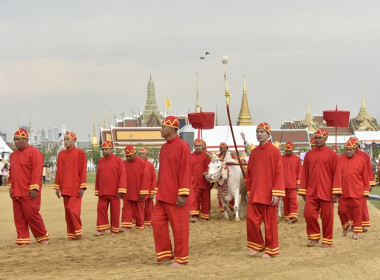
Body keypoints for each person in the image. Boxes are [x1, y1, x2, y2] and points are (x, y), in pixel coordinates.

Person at [151, 116, 191, 266]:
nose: (161, 130)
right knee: (156, 222)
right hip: (163, 194)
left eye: (163, 127)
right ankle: (165, 253)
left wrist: (182, 193)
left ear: (172, 129)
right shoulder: (164, 147)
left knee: (179, 228)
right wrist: (157, 189)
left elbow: (185, 171)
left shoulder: (183, 146)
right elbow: (162, 171)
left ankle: (181, 258)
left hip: (177, 195)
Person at [245, 122, 285, 258]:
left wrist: (277, 192)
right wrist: (249, 190)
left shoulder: (275, 152)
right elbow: (249, 173)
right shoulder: (254, 153)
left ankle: (271, 249)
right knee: (251, 219)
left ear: (268, 134)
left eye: (262, 132)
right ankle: (257, 245)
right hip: (255, 193)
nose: (259, 134)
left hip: (269, 194)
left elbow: (279, 172)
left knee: (270, 224)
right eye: (257, 132)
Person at [298, 129, 342, 248]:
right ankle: (314, 237)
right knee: (308, 214)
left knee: (327, 218)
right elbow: (304, 174)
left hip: (327, 191)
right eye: (315, 138)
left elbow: (336, 173)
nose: (317, 140)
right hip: (312, 191)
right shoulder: (309, 155)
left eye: (319, 138)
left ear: (325, 139)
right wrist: (303, 190)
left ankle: (327, 240)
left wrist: (336, 191)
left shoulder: (332, 155)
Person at [8, 128, 49, 245]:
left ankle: (42, 237)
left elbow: (37, 171)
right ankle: (22, 238)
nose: (16, 142)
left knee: (32, 214)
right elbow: (12, 173)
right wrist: (11, 187)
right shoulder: (13, 155)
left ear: (26, 139)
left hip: (30, 191)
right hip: (17, 190)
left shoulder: (34, 153)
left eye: (18, 139)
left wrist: (34, 188)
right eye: (14, 140)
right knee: (18, 216)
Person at [54, 132, 87, 240]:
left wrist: (82, 187)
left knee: (73, 210)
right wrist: (58, 187)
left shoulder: (80, 153)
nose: (66, 141)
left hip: (76, 188)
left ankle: (78, 231)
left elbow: (83, 171)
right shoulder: (61, 154)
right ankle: (71, 234)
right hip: (65, 187)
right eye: (64, 139)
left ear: (74, 140)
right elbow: (59, 171)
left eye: (68, 139)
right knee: (67, 212)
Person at [338, 139, 370, 240]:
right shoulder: (339, 160)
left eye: (351, 149)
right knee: (341, 211)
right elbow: (336, 176)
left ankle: (356, 233)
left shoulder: (361, 160)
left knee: (358, 213)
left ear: (355, 149)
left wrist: (365, 190)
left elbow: (365, 177)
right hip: (344, 192)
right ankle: (346, 225)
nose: (349, 151)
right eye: (347, 149)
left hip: (357, 192)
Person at [95, 141, 126, 235]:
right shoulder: (100, 161)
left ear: (112, 149)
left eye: (106, 149)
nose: (104, 151)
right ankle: (102, 229)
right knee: (101, 210)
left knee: (115, 212)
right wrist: (97, 190)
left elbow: (122, 175)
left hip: (114, 192)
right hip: (103, 192)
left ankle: (114, 229)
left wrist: (121, 189)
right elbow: (98, 176)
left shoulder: (118, 160)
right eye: (103, 149)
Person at [350, 136, 376, 232]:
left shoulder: (364, 156)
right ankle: (353, 224)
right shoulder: (346, 156)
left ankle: (363, 224)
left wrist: (369, 184)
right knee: (350, 205)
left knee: (362, 205)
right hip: (350, 184)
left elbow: (369, 170)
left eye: (355, 144)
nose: (354, 146)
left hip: (361, 184)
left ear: (358, 145)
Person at [121, 145, 149, 231]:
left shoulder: (142, 163)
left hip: (138, 191)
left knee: (139, 209)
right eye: (127, 156)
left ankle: (140, 225)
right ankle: (126, 225)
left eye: (131, 155)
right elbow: (121, 177)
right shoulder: (123, 163)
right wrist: (121, 190)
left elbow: (145, 178)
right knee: (126, 208)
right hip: (127, 191)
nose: (129, 157)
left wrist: (143, 192)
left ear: (135, 154)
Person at [189, 138, 211, 222]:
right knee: (194, 199)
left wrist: (207, 174)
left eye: (199, 146)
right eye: (196, 146)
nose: (197, 147)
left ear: (203, 146)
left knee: (205, 200)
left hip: (204, 182)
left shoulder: (207, 156)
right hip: (193, 182)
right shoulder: (190, 156)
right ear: (193, 146)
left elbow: (208, 167)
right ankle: (194, 215)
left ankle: (205, 216)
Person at [281, 141, 302, 223]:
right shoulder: (281, 158)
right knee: (285, 201)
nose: (288, 152)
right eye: (287, 150)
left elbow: (299, 171)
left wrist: (298, 183)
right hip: (283, 184)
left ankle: (293, 216)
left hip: (293, 184)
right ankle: (287, 217)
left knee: (293, 200)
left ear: (292, 150)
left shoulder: (297, 159)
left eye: (289, 150)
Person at [139, 146, 157, 227]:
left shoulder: (150, 165)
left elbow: (153, 179)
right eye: (140, 154)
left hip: (149, 189)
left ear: (147, 154)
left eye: (142, 154)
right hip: (139, 190)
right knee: (139, 207)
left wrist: (152, 192)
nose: (141, 156)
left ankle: (148, 222)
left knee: (149, 207)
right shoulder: (138, 164)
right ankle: (140, 221)